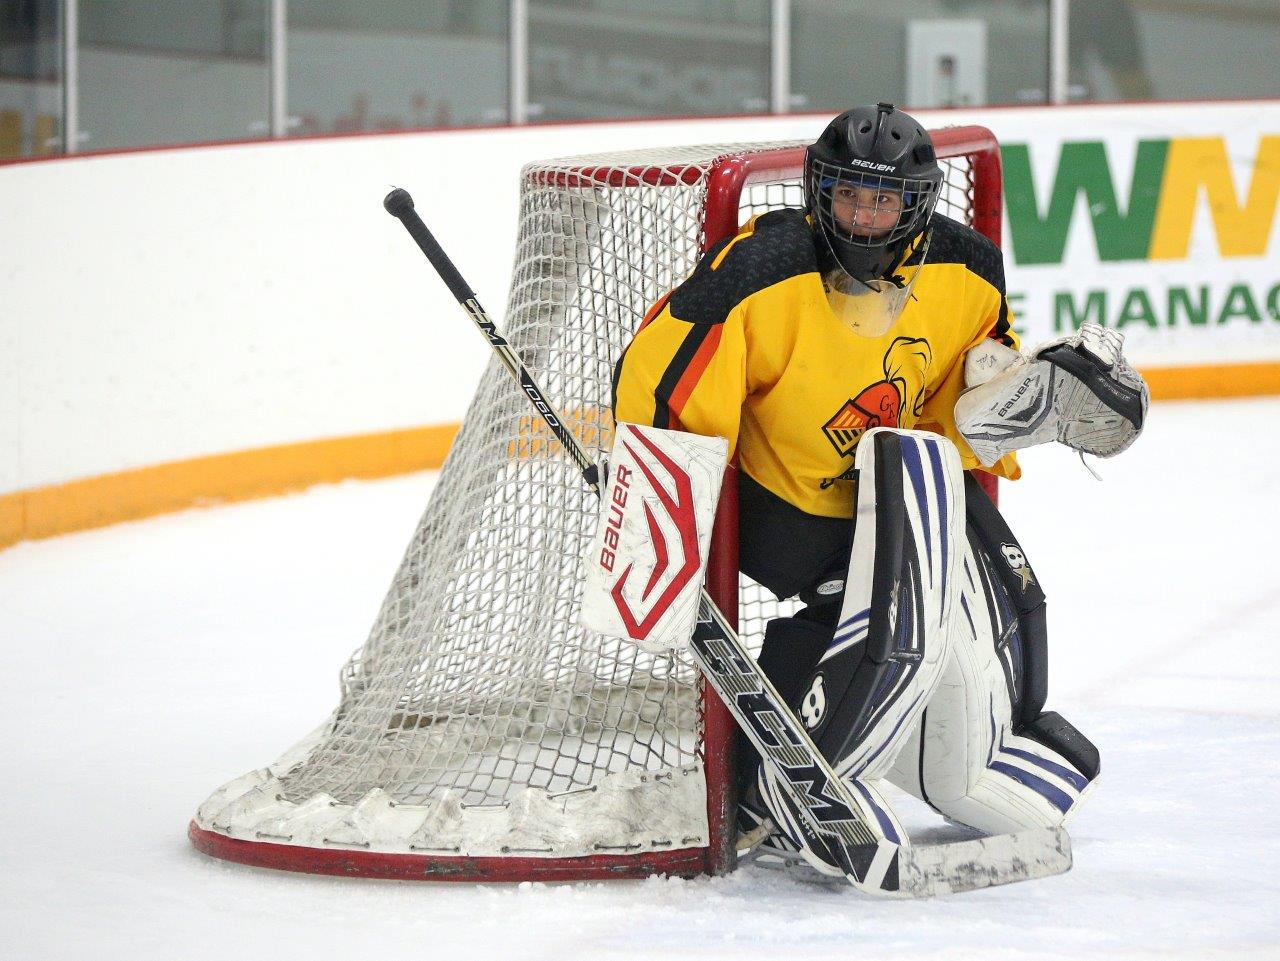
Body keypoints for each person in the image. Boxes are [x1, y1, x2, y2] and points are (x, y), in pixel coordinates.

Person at [611, 103, 1143, 867]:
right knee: (862, 612)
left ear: (916, 205)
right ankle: (768, 782)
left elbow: (971, 379)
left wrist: (1014, 398)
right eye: (847, 196)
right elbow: (659, 381)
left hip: (889, 492)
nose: (862, 218)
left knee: (994, 593)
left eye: (883, 200)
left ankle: (987, 748)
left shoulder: (968, 269)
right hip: (778, 502)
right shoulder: (761, 271)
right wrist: (656, 504)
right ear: (817, 191)